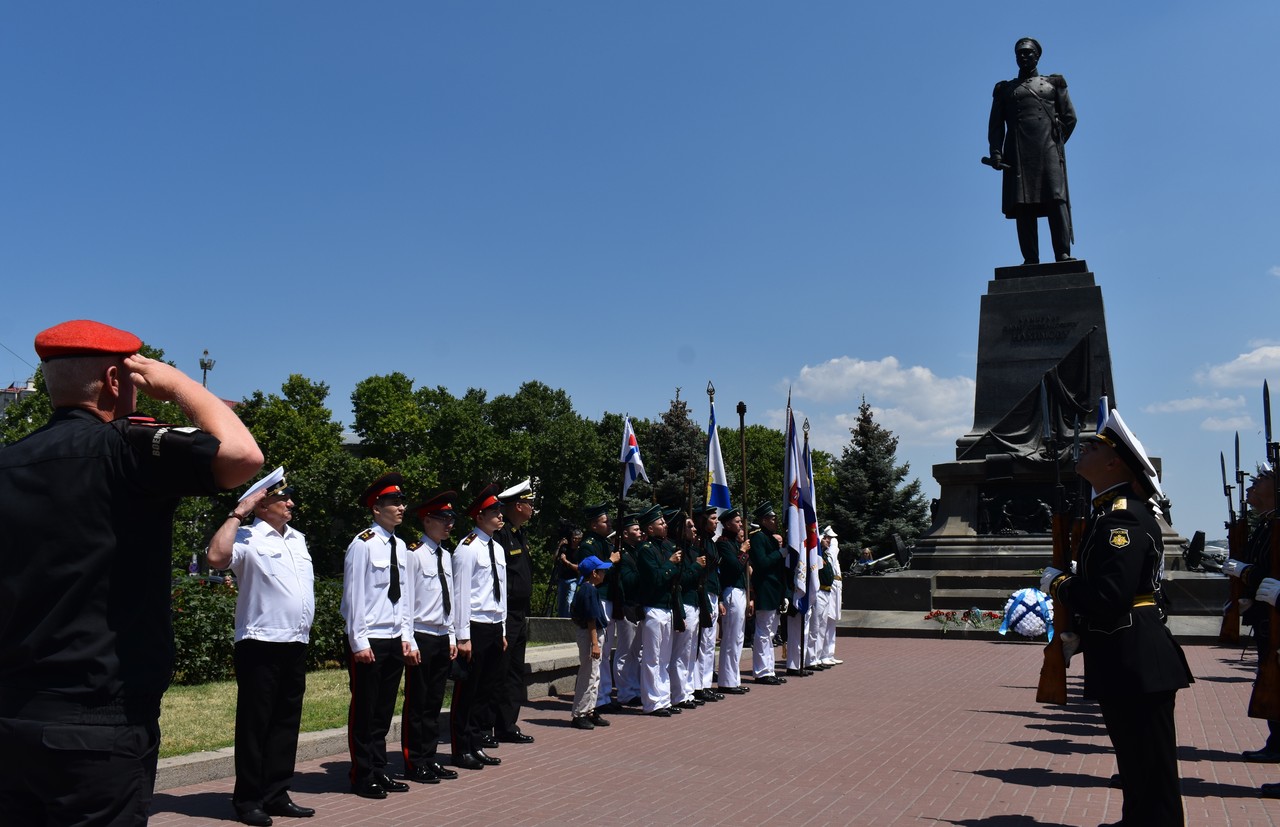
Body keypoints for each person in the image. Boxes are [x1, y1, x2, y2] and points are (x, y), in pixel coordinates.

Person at [0, 319, 262, 826]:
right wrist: (180, 384)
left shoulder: (9, 462)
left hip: (12, 720)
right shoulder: (127, 448)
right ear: (118, 382)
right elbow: (242, 456)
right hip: (99, 729)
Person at [1042, 408, 1192, 825]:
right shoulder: (1109, 515)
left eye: (1093, 446)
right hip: (1125, 655)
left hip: (1135, 658)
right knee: (1136, 763)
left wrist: (1057, 586)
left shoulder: (1121, 518)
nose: (1083, 450)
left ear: (1114, 462)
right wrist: (1077, 634)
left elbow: (1109, 597)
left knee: (1151, 767)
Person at [206, 467, 315, 825]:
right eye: (283, 498)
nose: (291, 503)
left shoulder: (297, 539)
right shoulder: (247, 537)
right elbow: (216, 558)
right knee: (255, 725)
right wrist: (239, 512)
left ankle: (276, 793)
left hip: (295, 641)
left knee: (286, 723)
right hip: (260, 642)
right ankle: (248, 799)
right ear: (262, 503)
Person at [340, 472, 413, 800]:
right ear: (376, 508)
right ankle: (362, 774)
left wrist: (406, 636)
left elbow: (407, 597)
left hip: (393, 637)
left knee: (384, 710)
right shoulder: (363, 544)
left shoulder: (400, 545)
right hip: (369, 639)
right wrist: (358, 641)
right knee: (365, 709)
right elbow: (353, 596)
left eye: (401, 501)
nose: (401, 507)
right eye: (394, 502)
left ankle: (379, 770)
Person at [986, 36, 1077, 265]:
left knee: (1056, 200)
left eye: (1028, 52)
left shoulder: (1053, 84)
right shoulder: (1005, 90)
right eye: (1019, 53)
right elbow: (996, 126)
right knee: (1023, 205)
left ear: (1037, 56)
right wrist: (996, 153)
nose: (1023, 56)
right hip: (1017, 153)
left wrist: (1057, 139)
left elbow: (1070, 118)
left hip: (1048, 149)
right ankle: (1030, 258)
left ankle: (1062, 253)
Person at [399, 490, 461, 785]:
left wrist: (450, 635)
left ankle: (430, 757)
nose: (449, 524)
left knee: (435, 701)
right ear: (427, 520)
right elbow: (407, 601)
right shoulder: (413, 554)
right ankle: (415, 761)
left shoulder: (445, 556)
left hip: (439, 635)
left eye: (451, 518)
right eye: (443, 518)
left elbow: (446, 600)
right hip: (420, 634)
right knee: (417, 701)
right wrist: (407, 638)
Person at [1222, 467, 1280, 763]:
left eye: (1262, 480)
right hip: (1267, 617)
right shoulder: (1268, 525)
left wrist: (1246, 572)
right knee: (1272, 675)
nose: (1252, 487)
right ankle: (1277, 740)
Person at [449, 483, 508, 771]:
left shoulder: (496, 548)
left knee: (486, 690)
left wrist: (504, 629)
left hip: (494, 625)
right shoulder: (467, 548)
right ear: (479, 516)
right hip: (474, 626)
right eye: (494, 511)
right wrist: (462, 636)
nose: (500, 515)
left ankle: (477, 743)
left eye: (499, 510)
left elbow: (502, 590)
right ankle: (461, 748)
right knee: (468, 691)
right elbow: (459, 594)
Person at [491, 479, 536, 744]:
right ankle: (490, 725)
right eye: (529, 503)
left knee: (515, 671)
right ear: (518, 506)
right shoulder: (500, 535)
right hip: (505, 612)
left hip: (520, 613)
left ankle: (507, 724)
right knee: (501, 670)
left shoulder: (519, 534)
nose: (531, 508)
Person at [635, 505, 681, 716]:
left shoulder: (666, 547)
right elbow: (655, 577)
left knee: (664, 657)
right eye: (660, 523)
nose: (665, 525)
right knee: (652, 658)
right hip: (653, 606)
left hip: (667, 607)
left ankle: (664, 698)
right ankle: (652, 701)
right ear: (650, 529)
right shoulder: (645, 550)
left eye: (664, 522)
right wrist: (671, 564)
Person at [603, 513, 643, 713]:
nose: (639, 532)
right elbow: (626, 580)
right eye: (635, 530)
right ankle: (626, 691)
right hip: (626, 605)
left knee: (636, 651)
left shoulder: (636, 551)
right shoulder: (622, 553)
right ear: (625, 534)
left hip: (636, 605)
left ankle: (634, 689)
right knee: (625, 651)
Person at [569, 556, 613, 730]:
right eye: (602, 570)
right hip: (590, 635)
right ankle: (579, 713)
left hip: (592, 634)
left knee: (595, 675)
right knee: (588, 675)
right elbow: (591, 619)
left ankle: (589, 710)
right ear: (594, 573)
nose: (604, 573)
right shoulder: (588, 590)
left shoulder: (590, 588)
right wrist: (594, 643)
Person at [749, 502, 789, 686]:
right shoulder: (758, 538)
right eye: (772, 518)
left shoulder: (770, 539)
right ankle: (762, 671)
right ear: (764, 520)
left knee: (771, 632)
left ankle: (769, 669)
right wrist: (779, 554)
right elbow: (762, 563)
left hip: (775, 590)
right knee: (763, 632)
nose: (775, 521)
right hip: (765, 589)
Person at [668, 510, 703, 711]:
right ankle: (679, 693)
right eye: (689, 526)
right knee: (681, 652)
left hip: (694, 603)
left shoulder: (692, 549)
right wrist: (697, 567)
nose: (694, 529)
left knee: (690, 653)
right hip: (685, 603)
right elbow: (681, 579)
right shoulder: (679, 550)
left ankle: (687, 691)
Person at [716, 508, 752, 695]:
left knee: (738, 638)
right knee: (730, 638)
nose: (740, 525)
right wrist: (743, 552)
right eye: (737, 522)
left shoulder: (732, 543)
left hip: (740, 592)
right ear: (728, 524)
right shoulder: (723, 544)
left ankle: (733, 678)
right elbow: (734, 566)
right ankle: (727, 681)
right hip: (731, 592)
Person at [691, 506, 724, 704]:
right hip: (703, 593)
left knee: (709, 642)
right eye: (712, 518)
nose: (716, 522)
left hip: (712, 592)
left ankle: (704, 683)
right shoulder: (701, 542)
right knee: (703, 642)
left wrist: (718, 598)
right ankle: (699, 685)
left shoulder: (710, 542)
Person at [817, 527, 844, 667]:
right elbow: (833, 553)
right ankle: (823, 654)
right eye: (828, 538)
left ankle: (829, 653)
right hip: (830, 587)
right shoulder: (827, 554)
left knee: (832, 622)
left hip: (836, 587)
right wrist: (833, 544)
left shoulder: (830, 554)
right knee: (826, 621)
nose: (832, 541)